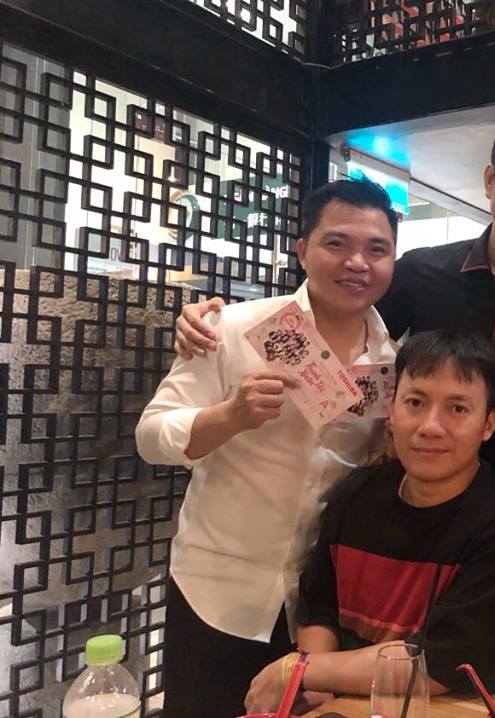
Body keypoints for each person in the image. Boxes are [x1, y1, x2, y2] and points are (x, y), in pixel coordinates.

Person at [135, 178, 399, 717]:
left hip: (318, 611)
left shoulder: (390, 365)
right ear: (302, 250)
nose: (357, 262)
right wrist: (230, 416)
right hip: (216, 591)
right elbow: (151, 435)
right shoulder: (231, 328)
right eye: (337, 243)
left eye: (377, 249)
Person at [172, 100, 495, 397]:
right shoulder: (419, 270)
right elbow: (336, 325)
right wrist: (221, 327)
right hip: (414, 479)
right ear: (490, 179)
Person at [243, 331, 495, 714]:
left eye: (457, 409)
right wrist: (318, 683)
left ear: (489, 424)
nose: (430, 426)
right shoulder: (356, 494)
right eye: (415, 402)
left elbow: (439, 665)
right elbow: (319, 608)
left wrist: (302, 670)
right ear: (392, 408)